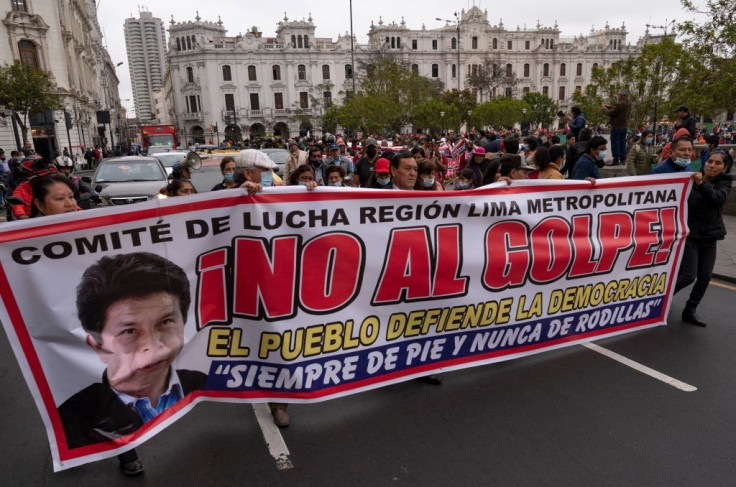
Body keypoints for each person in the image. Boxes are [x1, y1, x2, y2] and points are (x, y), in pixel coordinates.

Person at [57, 252, 206, 474]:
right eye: (129, 331)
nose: (152, 346)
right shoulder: (72, 420)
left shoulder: (204, 382)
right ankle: (126, 453)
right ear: (98, 345)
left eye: (166, 321)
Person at [673, 150, 733, 327]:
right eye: (710, 161)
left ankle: (690, 310)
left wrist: (702, 183)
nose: (712, 165)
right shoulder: (689, 179)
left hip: (710, 236)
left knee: (705, 276)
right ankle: (660, 300)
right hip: (691, 234)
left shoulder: (724, 183)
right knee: (688, 276)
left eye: (718, 163)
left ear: (725, 168)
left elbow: (717, 199)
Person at [602, 90, 631, 165]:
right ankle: (623, 159)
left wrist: (604, 108)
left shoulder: (620, 104)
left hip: (616, 127)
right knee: (622, 143)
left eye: (618, 95)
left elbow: (610, 113)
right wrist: (610, 107)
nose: (617, 96)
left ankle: (616, 159)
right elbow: (619, 110)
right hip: (624, 126)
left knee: (615, 144)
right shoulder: (628, 103)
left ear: (621, 95)